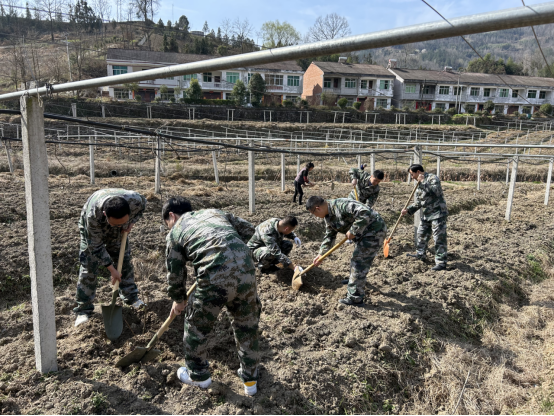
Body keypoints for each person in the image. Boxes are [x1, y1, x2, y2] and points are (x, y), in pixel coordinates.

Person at [163, 196, 261, 396]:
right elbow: (251, 231)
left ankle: (198, 376)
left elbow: (175, 271)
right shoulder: (215, 212)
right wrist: (234, 253)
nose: (168, 227)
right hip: (246, 272)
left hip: (214, 278)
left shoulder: (176, 231)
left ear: (171, 216)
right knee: (247, 326)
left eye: (167, 223)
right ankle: (250, 380)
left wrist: (179, 299)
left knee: (196, 327)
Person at [74, 189, 147, 327]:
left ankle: (131, 298)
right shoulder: (93, 216)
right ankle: (83, 310)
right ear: (104, 214)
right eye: (115, 223)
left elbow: (143, 206)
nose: (119, 225)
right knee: (89, 266)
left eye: (123, 222)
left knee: (124, 260)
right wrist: (112, 269)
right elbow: (95, 246)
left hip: (119, 228)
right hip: (92, 232)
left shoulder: (135, 200)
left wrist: (131, 223)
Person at [306, 196, 387, 306]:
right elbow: (329, 236)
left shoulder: (341, 205)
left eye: (314, 213)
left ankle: (355, 298)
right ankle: (354, 282)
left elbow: (365, 212)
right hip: (362, 234)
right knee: (358, 259)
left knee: (359, 262)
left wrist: (353, 230)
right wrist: (321, 254)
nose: (316, 216)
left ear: (318, 208)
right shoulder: (328, 217)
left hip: (374, 231)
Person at [401, 164, 448, 271]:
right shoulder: (418, 184)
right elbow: (418, 203)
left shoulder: (432, 178)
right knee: (421, 234)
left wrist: (423, 182)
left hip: (438, 214)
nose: (411, 177)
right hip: (427, 214)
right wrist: (408, 210)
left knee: (439, 238)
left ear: (418, 172)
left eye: (412, 174)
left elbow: (436, 191)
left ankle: (441, 262)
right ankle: (420, 254)